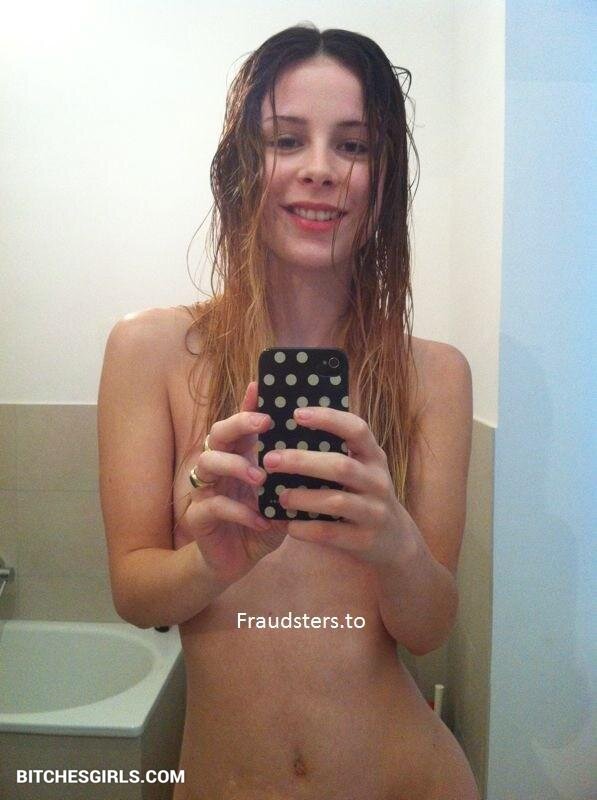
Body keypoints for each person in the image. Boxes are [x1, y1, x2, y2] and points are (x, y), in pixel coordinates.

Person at [98, 23, 479, 800]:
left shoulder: (433, 375)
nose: (320, 169)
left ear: (382, 176)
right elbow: (135, 594)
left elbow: (428, 629)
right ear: (241, 162)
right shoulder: (151, 350)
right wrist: (212, 561)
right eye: (286, 139)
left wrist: (396, 546)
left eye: (353, 145)